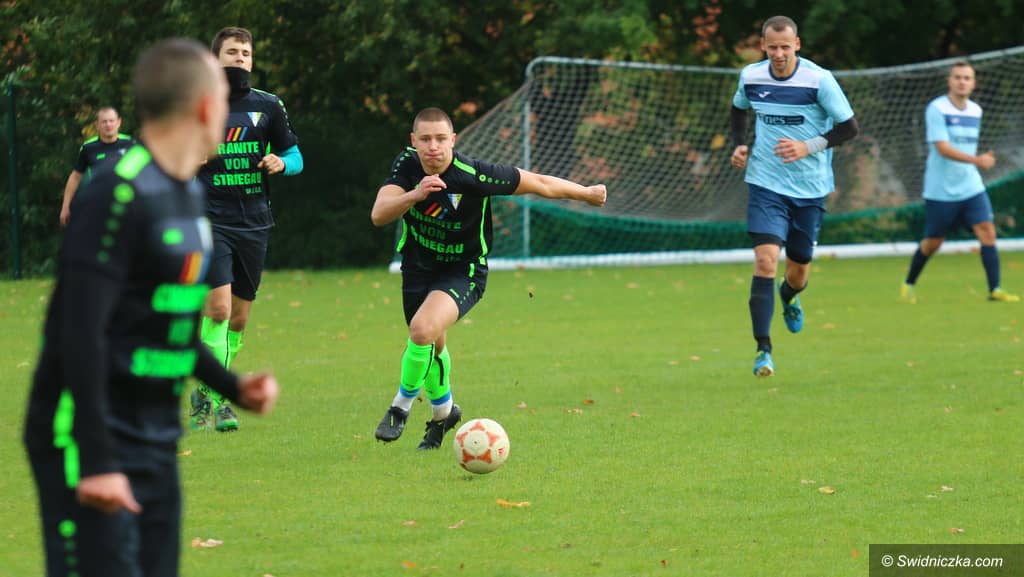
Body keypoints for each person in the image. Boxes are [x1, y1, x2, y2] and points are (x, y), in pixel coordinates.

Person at [23, 38, 279, 577]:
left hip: (155, 432)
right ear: (205, 107)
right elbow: (79, 332)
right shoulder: (115, 193)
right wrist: (96, 461)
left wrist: (232, 387)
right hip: (89, 437)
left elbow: (170, 322)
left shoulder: (185, 194)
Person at [371, 107, 607, 449]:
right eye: (425, 139)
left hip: (463, 271)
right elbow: (379, 214)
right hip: (418, 268)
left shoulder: (474, 175)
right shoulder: (407, 165)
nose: (433, 146)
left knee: (421, 330)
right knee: (432, 343)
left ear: (453, 140)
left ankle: (400, 407)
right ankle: (444, 413)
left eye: (440, 138)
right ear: (414, 141)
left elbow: (539, 183)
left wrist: (586, 193)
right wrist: (415, 195)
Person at [729, 15, 859, 377]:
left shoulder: (819, 80)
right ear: (763, 46)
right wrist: (739, 144)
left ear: (797, 45)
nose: (779, 54)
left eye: (785, 47)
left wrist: (807, 146)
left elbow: (849, 128)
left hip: (810, 189)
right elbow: (738, 109)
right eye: (772, 47)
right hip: (765, 183)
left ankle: (789, 296)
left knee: (798, 272)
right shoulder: (751, 76)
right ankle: (763, 350)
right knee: (765, 262)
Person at [191, 26, 303, 432]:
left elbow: (296, 157)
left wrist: (281, 163)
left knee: (238, 319)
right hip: (210, 219)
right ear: (214, 59)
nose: (240, 58)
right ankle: (220, 398)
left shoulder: (268, 105)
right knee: (218, 309)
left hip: (254, 221)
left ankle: (204, 389)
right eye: (232, 52)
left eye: (245, 53)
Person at [900, 61, 1018, 304]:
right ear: (949, 81)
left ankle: (995, 289)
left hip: (971, 186)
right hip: (940, 190)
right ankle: (909, 283)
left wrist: (976, 163)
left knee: (987, 231)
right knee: (933, 243)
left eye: (967, 78)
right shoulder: (937, 109)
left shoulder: (976, 111)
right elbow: (942, 148)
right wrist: (977, 160)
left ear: (974, 83)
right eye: (957, 77)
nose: (962, 82)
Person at [60, 107, 134, 226]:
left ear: (119, 122)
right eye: (104, 122)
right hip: (97, 206)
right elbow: (75, 177)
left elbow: (144, 174)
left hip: (126, 205)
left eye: (111, 121)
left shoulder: (130, 144)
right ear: (97, 125)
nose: (108, 125)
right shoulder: (89, 148)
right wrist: (65, 206)